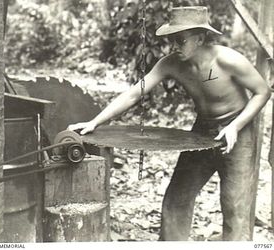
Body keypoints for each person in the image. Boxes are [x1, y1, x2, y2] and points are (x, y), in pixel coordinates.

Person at [68, 6, 271, 241]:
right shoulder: (171, 64)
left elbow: (262, 92)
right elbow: (134, 94)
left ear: (200, 38)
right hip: (203, 131)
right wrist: (95, 122)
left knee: (234, 205)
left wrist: (235, 126)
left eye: (180, 40)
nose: (174, 46)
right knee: (176, 198)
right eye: (171, 40)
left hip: (239, 131)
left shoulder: (227, 59)